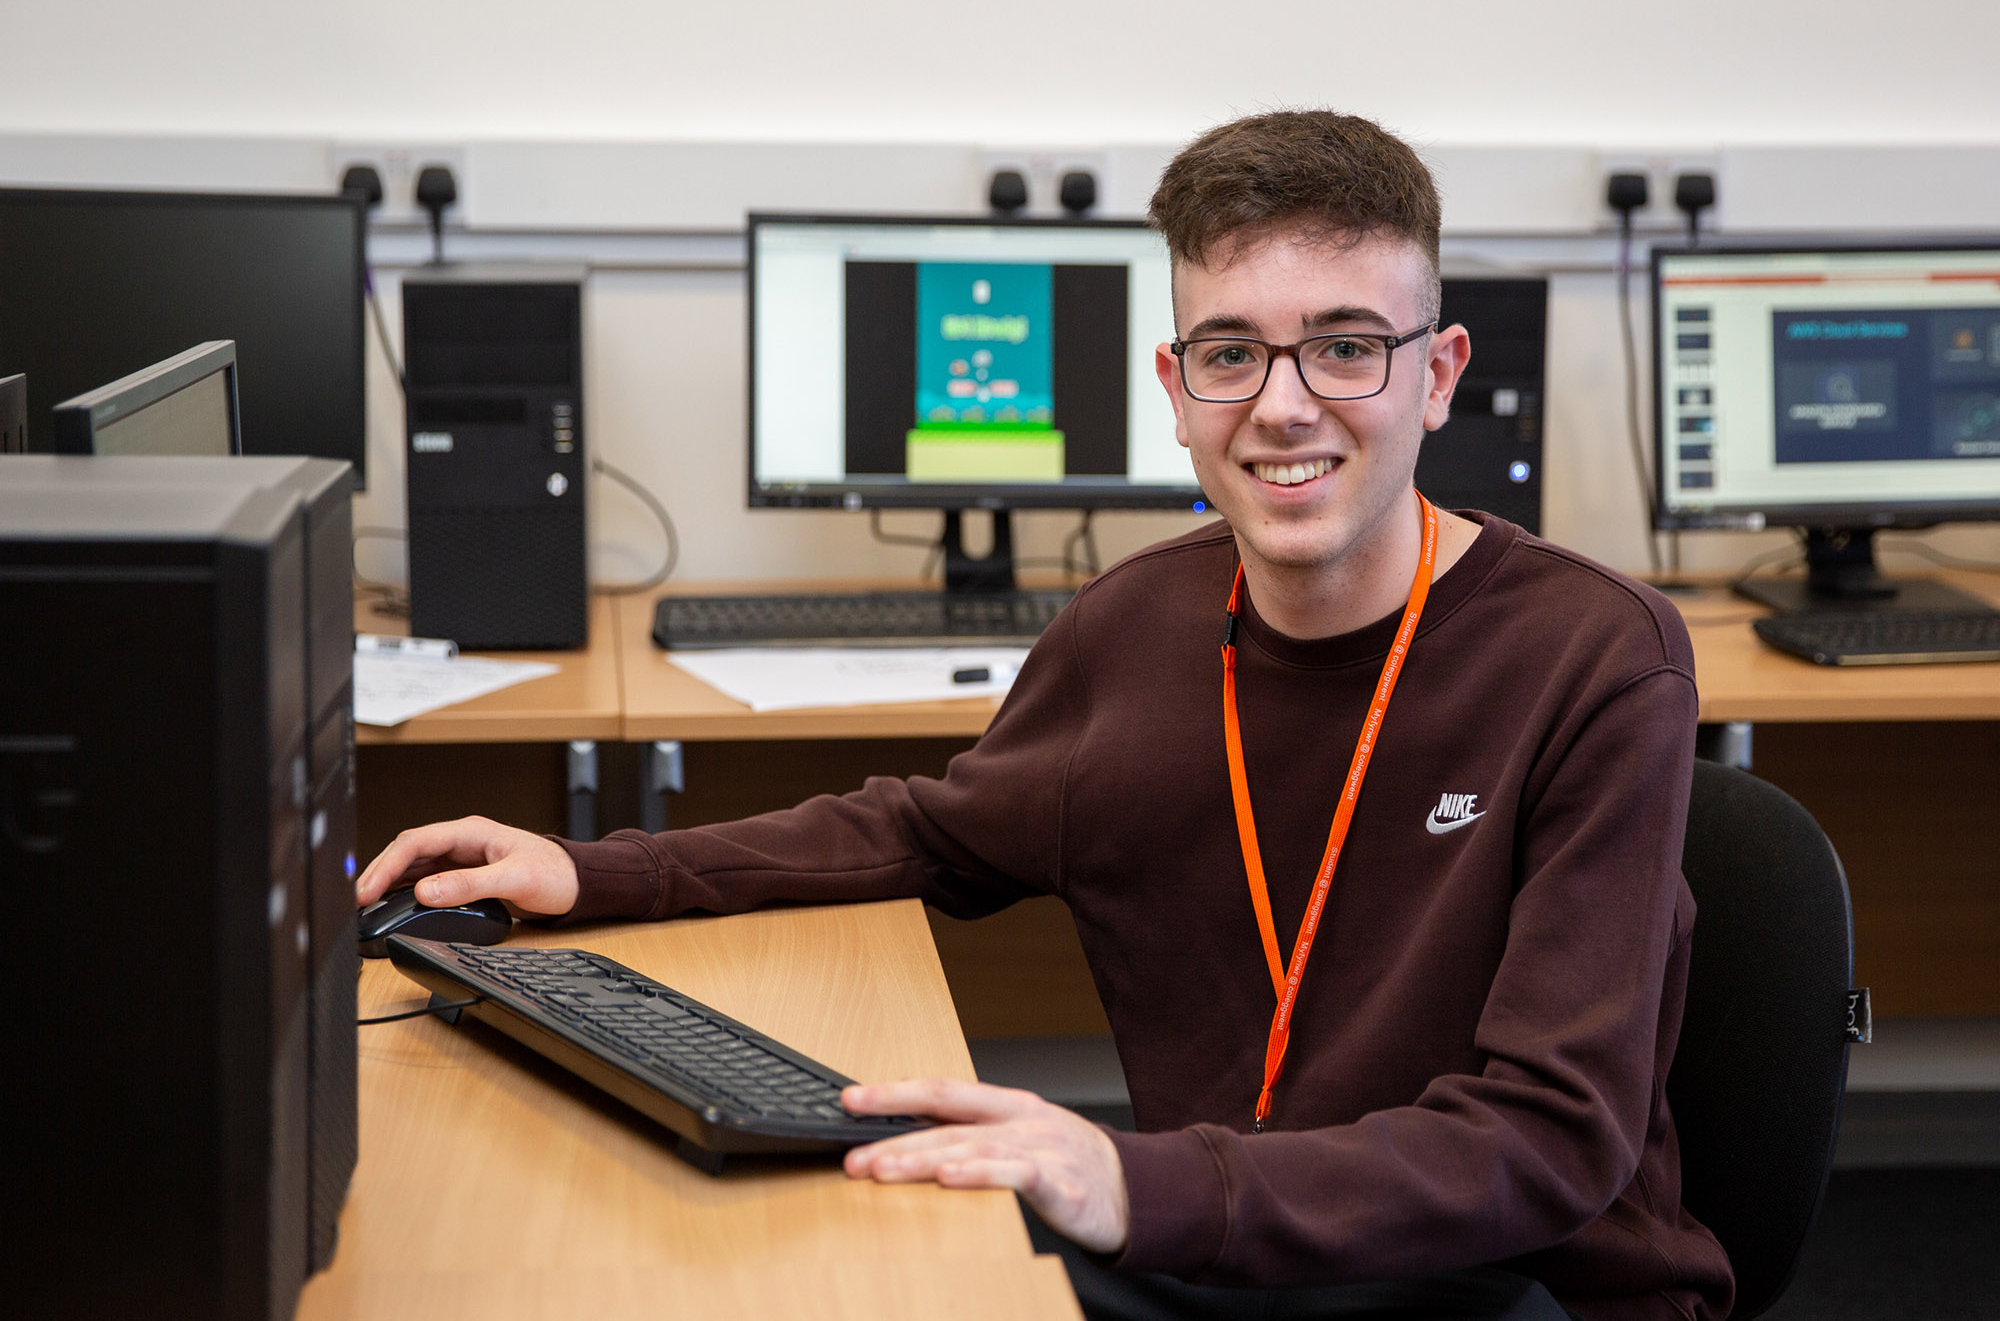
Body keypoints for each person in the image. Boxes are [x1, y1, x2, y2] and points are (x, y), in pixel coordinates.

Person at [358, 110, 1734, 1321]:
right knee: (819, 1262)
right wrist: (592, 870)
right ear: (1175, 393)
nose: (1284, 404)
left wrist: (1124, 1176)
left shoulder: (1595, 658)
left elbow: (1550, 1138)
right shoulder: (1130, 626)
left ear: (1438, 374)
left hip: (1502, 1272)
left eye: (1347, 348)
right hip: (1218, 1247)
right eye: (1231, 354)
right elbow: (931, 832)